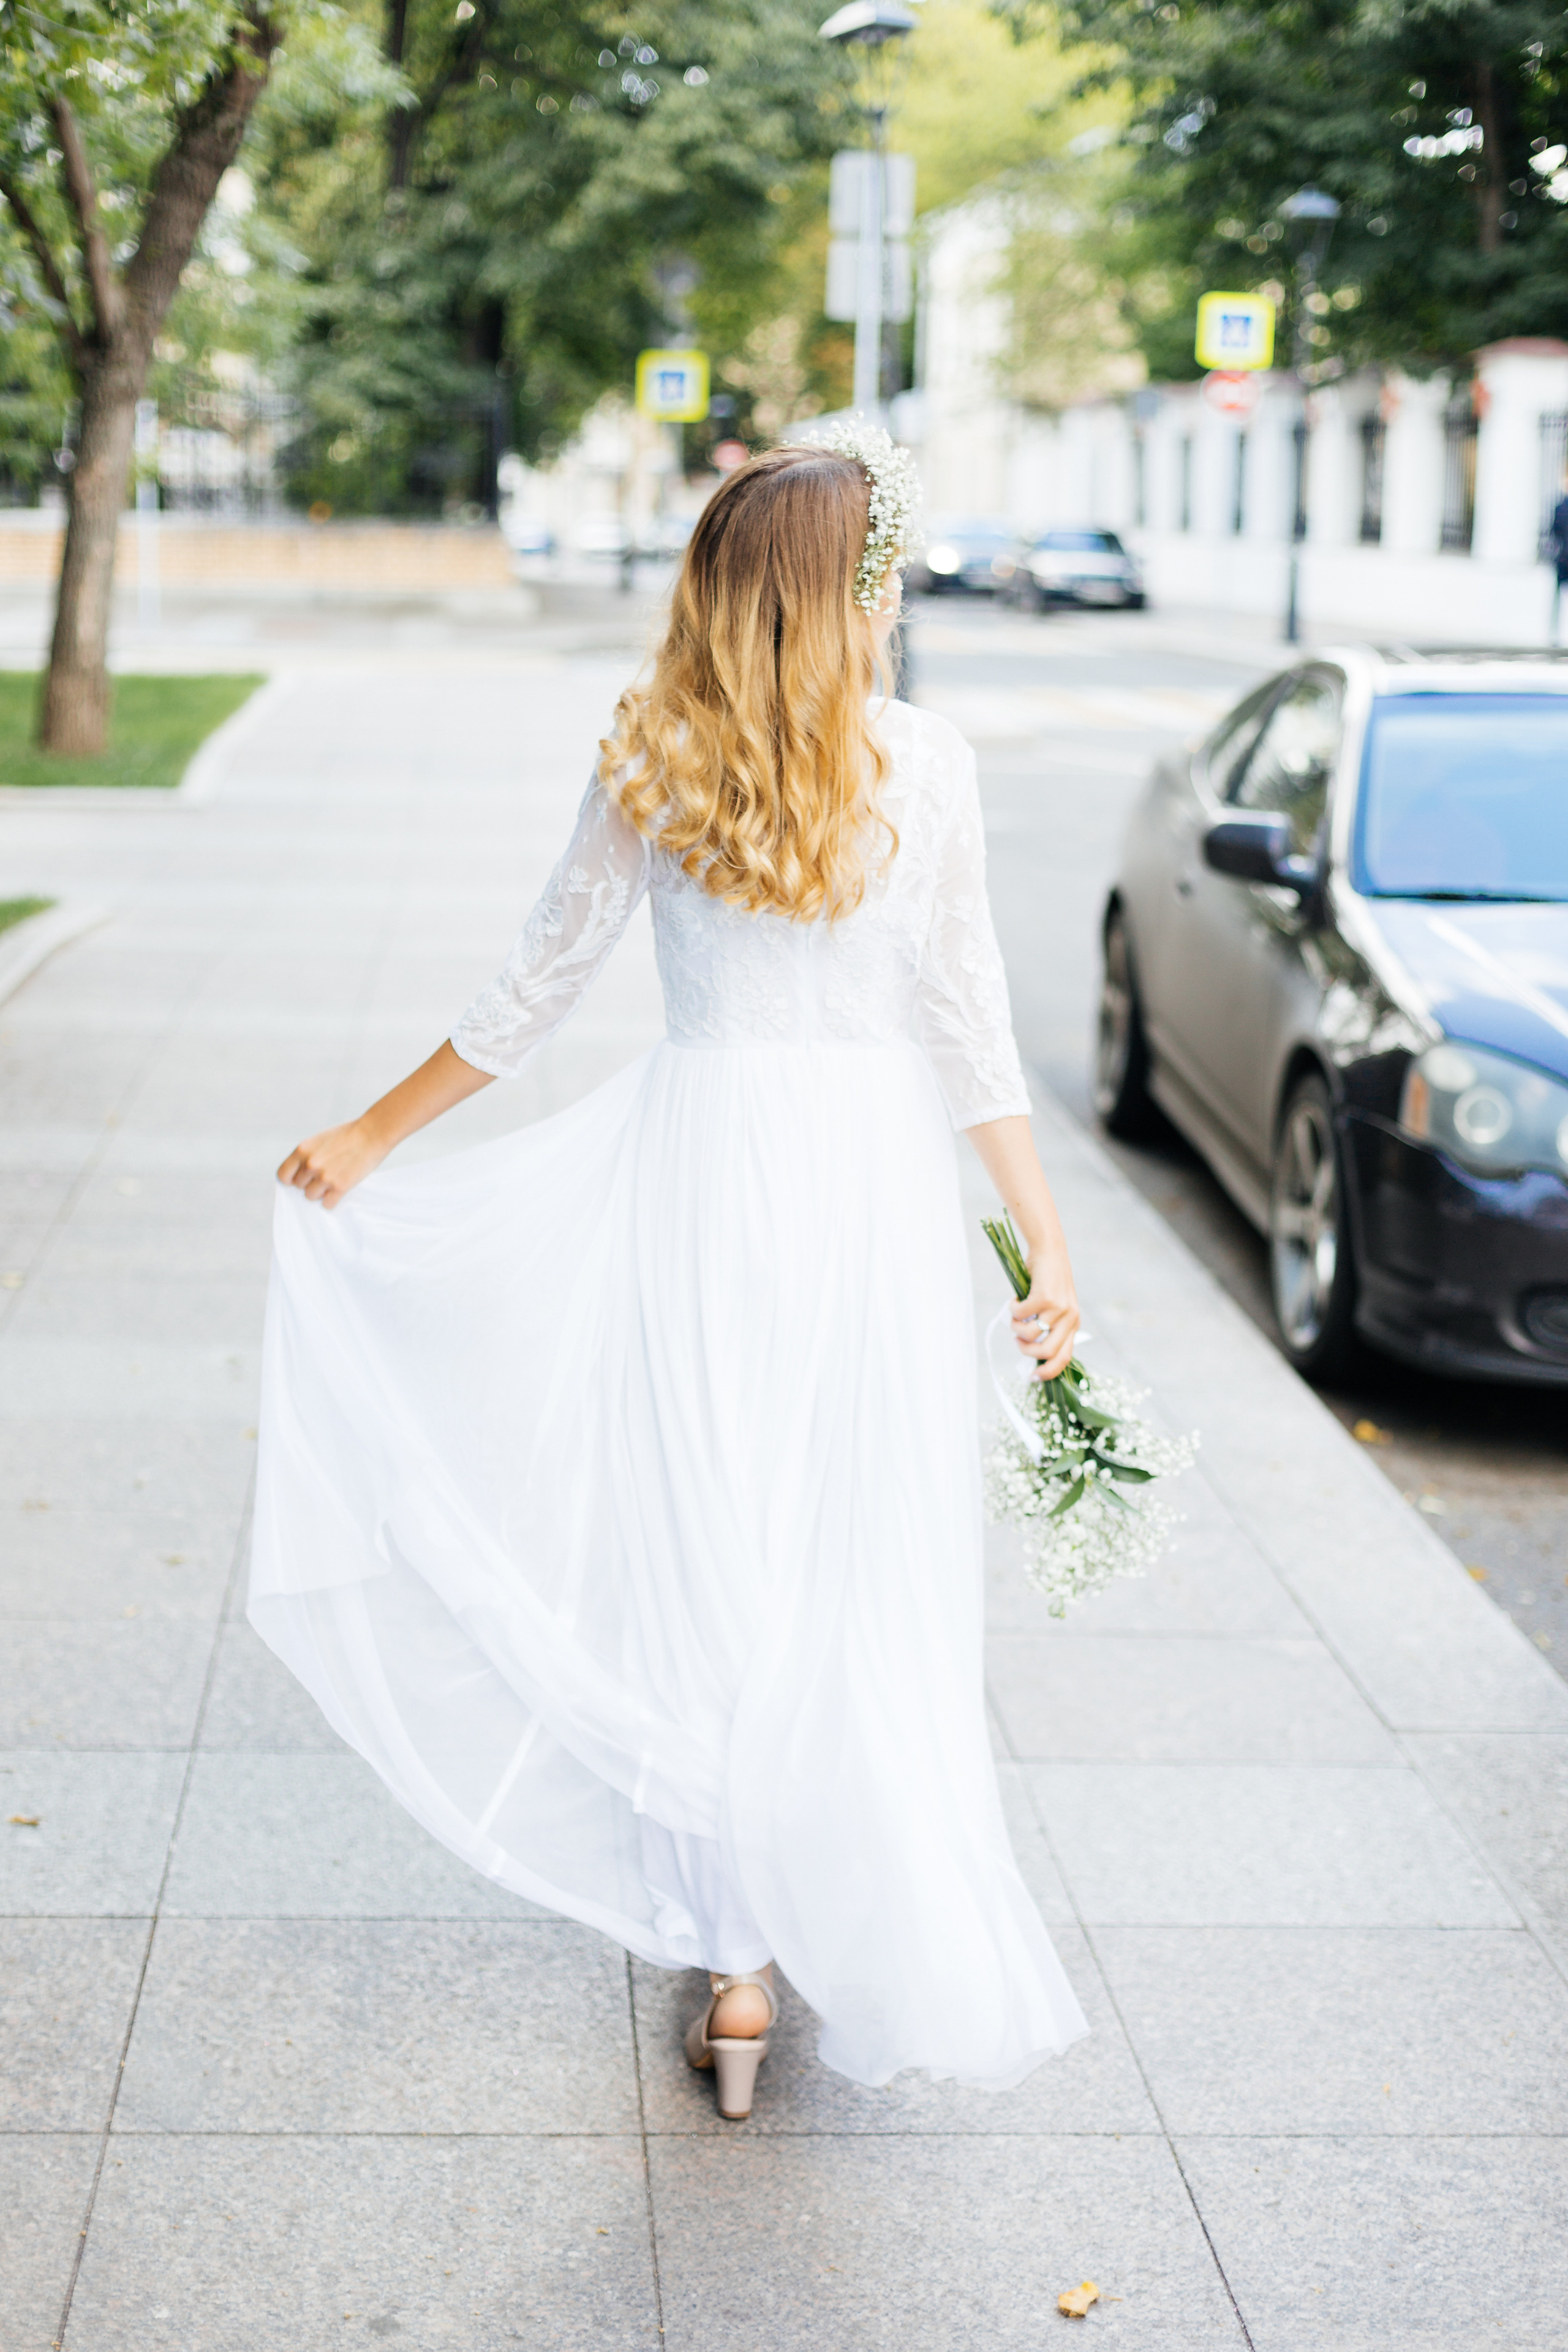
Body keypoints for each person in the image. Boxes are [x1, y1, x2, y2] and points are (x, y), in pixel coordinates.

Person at [254, 429, 1090, 2119]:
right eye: (888, 568)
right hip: (865, 1193)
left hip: (703, 1176)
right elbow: (968, 1025)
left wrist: (373, 1133)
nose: (904, 590)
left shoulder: (653, 754)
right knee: (855, 1558)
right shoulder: (927, 767)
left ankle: (736, 1974)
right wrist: (1042, 1242)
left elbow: (532, 987)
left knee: (709, 1550)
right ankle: (823, 1911)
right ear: (839, 594)